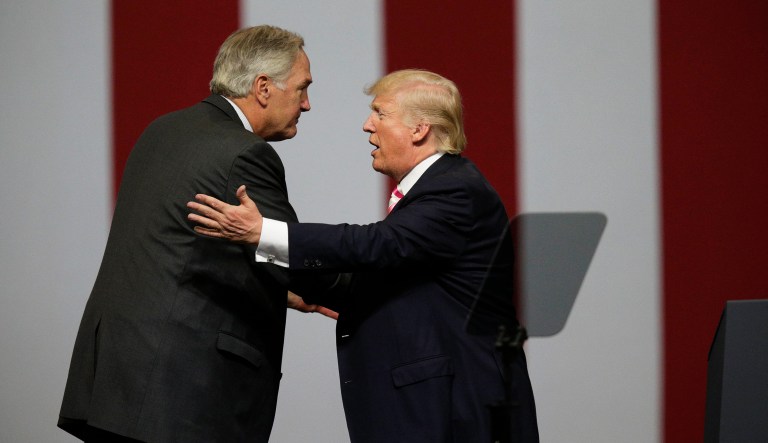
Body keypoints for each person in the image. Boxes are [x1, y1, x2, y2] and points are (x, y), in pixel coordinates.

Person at [188, 69, 539, 442]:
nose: (367, 126)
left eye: (380, 113)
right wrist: (296, 289)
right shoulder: (436, 190)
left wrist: (264, 232)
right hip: (433, 410)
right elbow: (399, 280)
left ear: (419, 129)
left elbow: (377, 245)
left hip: (456, 413)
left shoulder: (456, 190)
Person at [58, 25, 332, 442]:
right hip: (180, 397)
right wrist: (382, 283)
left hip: (118, 385)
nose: (307, 105)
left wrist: (270, 286)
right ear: (262, 88)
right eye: (301, 89)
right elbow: (293, 254)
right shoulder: (244, 152)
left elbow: (181, 250)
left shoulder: (163, 130)